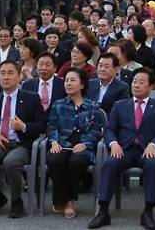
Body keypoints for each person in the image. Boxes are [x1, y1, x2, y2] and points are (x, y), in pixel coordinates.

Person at [89, 67, 155, 230]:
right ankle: (103, 211)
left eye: (142, 82)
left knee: (153, 165)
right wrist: (113, 143)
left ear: (150, 87)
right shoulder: (120, 105)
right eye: (134, 81)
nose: (136, 85)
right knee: (110, 164)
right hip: (124, 149)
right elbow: (110, 129)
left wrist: (154, 144)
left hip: (147, 150)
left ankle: (148, 211)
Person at [0, 60, 47, 218]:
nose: (6, 77)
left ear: (18, 77)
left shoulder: (31, 98)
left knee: (10, 162)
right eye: (2, 73)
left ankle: (17, 200)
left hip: (21, 144)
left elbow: (43, 124)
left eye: (10, 73)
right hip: (0, 143)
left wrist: (23, 127)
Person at [47, 66, 105, 219]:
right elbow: (52, 126)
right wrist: (53, 142)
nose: (68, 83)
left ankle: (70, 201)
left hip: (83, 145)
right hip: (62, 143)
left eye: (73, 80)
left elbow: (97, 130)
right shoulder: (59, 104)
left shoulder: (92, 107)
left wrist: (85, 144)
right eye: (66, 80)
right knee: (55, 159)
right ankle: (63, 199)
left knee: (76, 161)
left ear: (82, 84)